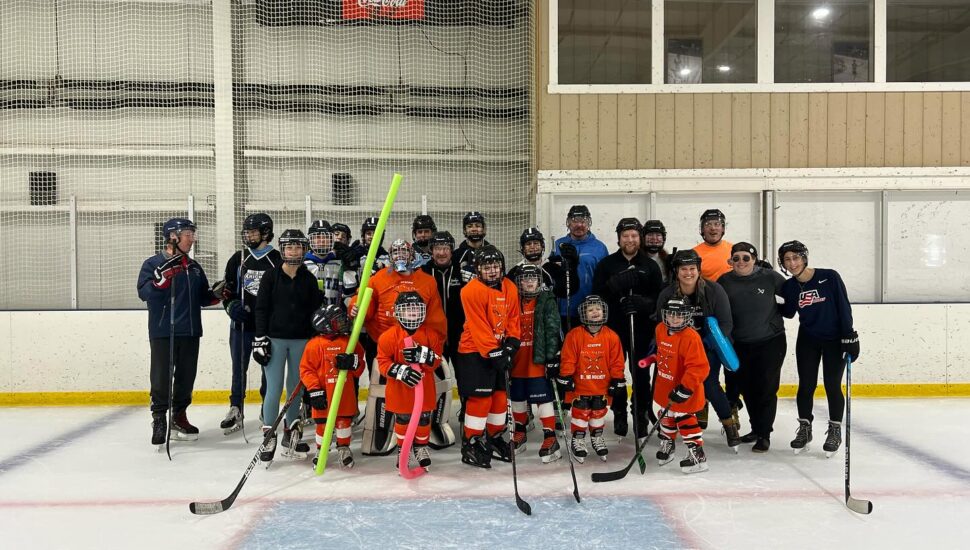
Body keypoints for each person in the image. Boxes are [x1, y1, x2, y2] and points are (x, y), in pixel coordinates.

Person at [349, 239, 447, 456]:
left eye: (405, 251)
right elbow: (365, 305)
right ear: (389, 255)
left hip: (418, 345)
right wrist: (356, 308)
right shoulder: (378, 278)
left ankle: (426, 433)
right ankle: (381, 432)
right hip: (384, 344)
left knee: (428, 389)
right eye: (396, 251)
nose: (400, 255)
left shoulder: (427, 281)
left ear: (413, 254)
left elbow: (436, 318)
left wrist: (433, 346)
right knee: (381, 391)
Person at [137, 218, 220, 445]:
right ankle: (160, 417)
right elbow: (145, 293)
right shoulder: (152, 264)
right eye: (188, 234)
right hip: (164, 331)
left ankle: (179, 414)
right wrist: (161, 279)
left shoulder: (193, 266)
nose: (192, 239)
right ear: (173, 236)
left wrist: (219, 294)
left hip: (191, 331)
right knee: (161, 377)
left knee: (186, 377)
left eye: (193, 234)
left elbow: (204, 296)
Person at [778, 240, 860, 456]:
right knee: (806, 385)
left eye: (795, 257)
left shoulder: (829, 276)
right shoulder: (789, 286)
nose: (792, 263)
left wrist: (849, 335)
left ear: (804, 257)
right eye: (787, 259)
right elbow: (788, 312)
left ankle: (834, 430)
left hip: (835, 340)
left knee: (832, 385)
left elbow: (843, 306)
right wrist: (770, 291)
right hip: (808, 339)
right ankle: (805, 428)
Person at [656, 250, 740, 450]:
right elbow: (661, 324)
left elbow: (726, 324)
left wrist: (703, 345)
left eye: (692, 268)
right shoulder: (667, 294)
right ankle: (674, 425)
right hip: (678, 349)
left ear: (699, 270)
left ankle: (729, 422)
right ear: (676, 271)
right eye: (683, 269)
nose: (688, 273)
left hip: (707, 346)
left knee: (709, 384)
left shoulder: (714, 290)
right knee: (674, 384)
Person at [253, 229, 322, 463]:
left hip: (302, 341)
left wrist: (315, 337)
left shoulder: (309, 279)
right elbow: (261, 309)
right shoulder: (270, 277)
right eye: (289, 247)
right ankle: (269, 434)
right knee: (273, 389)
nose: (294, 251)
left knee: (295, 388)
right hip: (274, 340)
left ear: (304, 250)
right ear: (282, 249)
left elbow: (315, 311)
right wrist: (260, 338)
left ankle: (291, 431)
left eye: (298, 247)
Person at [592, 217, 664, 438]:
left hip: (641, 329)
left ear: (639, 238)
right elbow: (596, 296)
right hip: (613, 328)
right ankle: (620, 412)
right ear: (619, 238)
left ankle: (640, 414)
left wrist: (645, 303)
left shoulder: (650, 266)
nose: (630, 240)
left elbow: (659, 298)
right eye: (625, 236)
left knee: (641, 375)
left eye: (634, 235)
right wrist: (613, 287)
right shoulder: (607, 264)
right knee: (615, 374)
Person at [455, 245, 521, 469]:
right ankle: (471, 442)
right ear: (478, 269)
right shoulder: (470, 291)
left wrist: (512, 343)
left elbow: (513, 317)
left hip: (499, 350)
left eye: (496, 266)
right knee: (481, 400)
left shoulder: (509, 287)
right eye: (487, 267)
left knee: (500, 399)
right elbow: (478, 326)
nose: (492, 271)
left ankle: (494, 437)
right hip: (474, 351)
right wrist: (495, 352)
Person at [717, 243, 787, 453]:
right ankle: (756, 428)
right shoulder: (724, 281)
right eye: (736, 258)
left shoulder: (770, 277)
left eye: (746, 258)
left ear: (754, 259)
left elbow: (791, 297)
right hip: (740, 344)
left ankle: (764, 434)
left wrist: (778, 316)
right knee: (747, 389)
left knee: (765, 389)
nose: (741, 262)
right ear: (730, 261)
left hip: (770, 342)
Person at [219, 213, 281, 435]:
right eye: (246, 231)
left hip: (268, 328)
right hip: (242, 328)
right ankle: (236, 407)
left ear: (265, 233)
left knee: (269, 370)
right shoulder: (239, 258)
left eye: (253, 231)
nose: (248, 235)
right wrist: (231, 306)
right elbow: (226, 292)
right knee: (239, 369)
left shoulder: (277, 259)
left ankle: (267, 407)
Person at [377, 291, 446, 471]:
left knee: (424, 419)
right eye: (408, 309)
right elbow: (383, 363)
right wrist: (402, 371)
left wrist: (424, 355)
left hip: (424, 387)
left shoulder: (431, 335)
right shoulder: (388, 336)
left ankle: (421, 448)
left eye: (416, 308)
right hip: (401, 390)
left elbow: (436, 360)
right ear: (398, 312)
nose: (413, 313)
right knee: (404, 418)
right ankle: (404, 449)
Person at [557, 295, 625, 463]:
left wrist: (617, 379)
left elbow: (617, 361)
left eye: (598, 309)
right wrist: (566, 376)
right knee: (581, 411)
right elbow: (568, 358)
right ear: (583, 314)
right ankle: (578, 439)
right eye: (590, 309)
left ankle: (596, 437)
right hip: (581, 385)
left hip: (601, 385)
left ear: (604, 312)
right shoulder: (574, 335)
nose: (595, 312)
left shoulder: (612, 336)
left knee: (598, 411)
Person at [299, 304, 366, 469]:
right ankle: (321, 450)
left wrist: (353, 362)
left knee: (343, 423)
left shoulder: (349, 342)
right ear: (325, 324)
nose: (343, 322)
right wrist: (314, 391)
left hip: (344, 394)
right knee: (322, 424)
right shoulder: (314, 345)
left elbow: (360, 365)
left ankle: (343, 448)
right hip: (323, 394)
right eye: (338, 321)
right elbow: (306, 370)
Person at [509, 265, 563, 463]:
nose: (529, 282)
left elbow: (552, 328)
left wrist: (552, 357)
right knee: (517, 397)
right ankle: (520, 433)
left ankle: (550, 437)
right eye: (525, 279)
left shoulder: (546, 301)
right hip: (516, 360)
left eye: (533, 279)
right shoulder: (513, 301)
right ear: (519, 282)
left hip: (537, 360)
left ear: (540, 282)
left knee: (543, 399)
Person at [650, 297, 711, 474]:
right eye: (671, 314)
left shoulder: (691, 337)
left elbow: (699, 367)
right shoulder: (660, 329)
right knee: (665, 415)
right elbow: (663, 353)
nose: (675, 318)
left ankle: (697, 455)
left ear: (686, 316)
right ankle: (668, 445)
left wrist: (685, 388)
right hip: (665, 385)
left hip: (685, 389)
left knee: (684, 419)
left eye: (679, 315)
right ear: (665, 315)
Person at [419, 231, 462, 449]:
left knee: (464, 379)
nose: (442, 252)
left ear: (451, 249)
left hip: (461, 336)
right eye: (437, 248)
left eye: (445, 248)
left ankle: (468, 419)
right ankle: (433, 421)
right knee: (434, 382)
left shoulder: (463, 273)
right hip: (433, 338)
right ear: (431, 251)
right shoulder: (423, 273)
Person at [554, 205, 609, 329]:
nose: (579, 225)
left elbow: (605, 280)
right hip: (565, 309)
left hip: (591, 310)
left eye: (583, 221)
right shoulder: (558, 245)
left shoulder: (599, 247)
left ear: (589, 223)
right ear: (568, 223)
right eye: (574, 221)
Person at [506, 226, 579, 300]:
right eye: (528, 244)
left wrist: (572, 267)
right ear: (522, 248)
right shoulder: (514, 272)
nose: (532, 247)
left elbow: (567, 292)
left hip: (549, 311)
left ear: (542, 246)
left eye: (536, 243)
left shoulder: (552, 267)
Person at [305, 219, 345, 306]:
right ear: (310, 239)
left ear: (331, 240)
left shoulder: (339, 262)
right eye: (318, 237)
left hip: (333, 315)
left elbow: (349, 293)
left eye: (326, 237)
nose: (322, 240)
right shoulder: (303, 265)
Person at [693, 209, 733, 282]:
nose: (713, 228)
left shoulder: (734, 250)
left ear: (723, 228)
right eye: (708, 224)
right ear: (702, 229)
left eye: (717, 224)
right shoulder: (694, 254)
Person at [641, 219, 671, 284]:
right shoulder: (637, 258)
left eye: (658, 235)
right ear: (643, 237)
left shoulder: (667, 259)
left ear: (664, 238)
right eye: (650, 234)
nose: (654, 238)